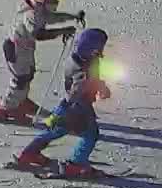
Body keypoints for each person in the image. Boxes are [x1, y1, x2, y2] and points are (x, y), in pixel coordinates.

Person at [0, 0, 85, 123]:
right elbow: (39, 34)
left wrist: (71, 17)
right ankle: (6, 108)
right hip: (18, 49)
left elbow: (49, 17)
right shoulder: (31, 14)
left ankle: (20, 101)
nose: (56, 0)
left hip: (24, 48)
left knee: (27, 75)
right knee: (20, 79)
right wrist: (62, 31)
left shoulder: (36, 7)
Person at [16, 27, 113, 178]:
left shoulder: (83, 58)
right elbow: (76, 92)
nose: (100, 50)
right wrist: (60, 111)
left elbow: (92, 77)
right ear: (89, 47)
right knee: (90, 134)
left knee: (58, 130)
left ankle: (29, 153)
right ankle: (75, 165)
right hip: (78, 106)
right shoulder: (82, 70)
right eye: (98, 47)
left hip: (75, 103)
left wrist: (100, 86)